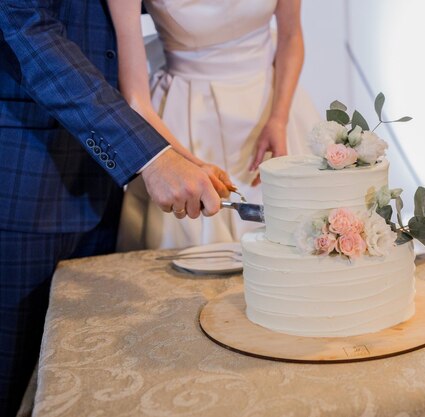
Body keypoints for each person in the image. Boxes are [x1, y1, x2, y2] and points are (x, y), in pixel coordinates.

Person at [0, 1, 233, 415]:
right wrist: (153, 157)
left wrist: (178, 158)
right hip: (25, 182)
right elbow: (29, 29)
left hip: (101, 180)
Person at [114, 0, 319, 251]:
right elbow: (136, 99)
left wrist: (279, 118)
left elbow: (291, 35)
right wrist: (187, 163)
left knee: (297, 244)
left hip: (274, 106)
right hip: (184, 116)